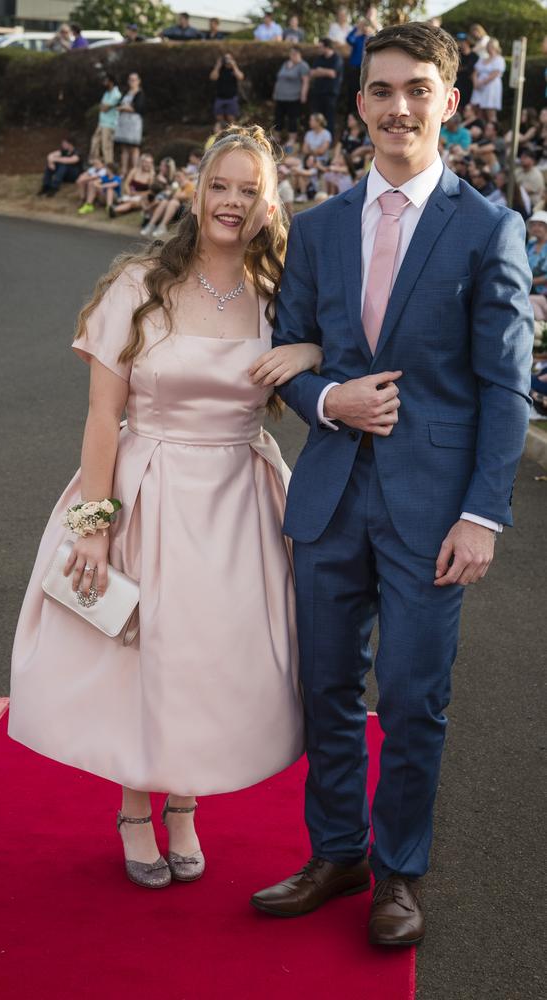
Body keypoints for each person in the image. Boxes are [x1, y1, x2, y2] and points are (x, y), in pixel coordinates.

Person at [250, 22, 533, 948]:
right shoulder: (321, 227)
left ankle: (399, 871)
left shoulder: (490, 227)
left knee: (414, 697)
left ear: (450, 104)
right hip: (330, 498)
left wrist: (484, 513)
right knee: (326, 687)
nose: (398, 106)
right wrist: (330, 397)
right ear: (359, 101)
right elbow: (288, 357)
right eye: (381, 90)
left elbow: (504, 388)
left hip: (433, 513)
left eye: (418, 89)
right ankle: (338, 853)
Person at [8, 125, 322, 889]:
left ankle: (184, 805)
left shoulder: (282, 294)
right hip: (147, 488)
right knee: (138, 650)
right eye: (222, 185)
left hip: (240, 496)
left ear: (268, 202)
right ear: (198, 189)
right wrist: (93, 525)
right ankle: (134, 810)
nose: (233, 201)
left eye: (250, 190)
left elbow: (332, 360)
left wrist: (310, 352)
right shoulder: (139, 284)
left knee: (207, 656)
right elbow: (99, 416)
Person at [273, 46, 310, 151]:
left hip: (293, 97)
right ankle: (276, 138)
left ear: (299, 54)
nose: (292, 56)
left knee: (292, 119)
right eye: (291, 54)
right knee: (278, 117)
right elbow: (279, 78)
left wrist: (303, 95)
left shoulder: (303, 66)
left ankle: (291, 140)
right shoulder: (285, 64)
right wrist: (275, 92)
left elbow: (305, 81)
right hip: (280, 97)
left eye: (294, 54)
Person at [140, 167, 194, 236]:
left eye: (179, 176)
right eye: (176, 176)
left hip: (184, 210)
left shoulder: (189, 185)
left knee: (173, 202)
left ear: (185, 176)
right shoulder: (177, 186)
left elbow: (183, 197)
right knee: (164, 202)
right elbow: (167, 195)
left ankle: (163, 226)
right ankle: (151, 225)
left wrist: (176, 190)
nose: (177, 178)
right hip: (172, 208)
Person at [308, 37, 344, 139]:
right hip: (317, 93)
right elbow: (311, 73)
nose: (318, 49)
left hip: (330, 93)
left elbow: (332, 73)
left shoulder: (337, 58)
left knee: (329, 118)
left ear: (327, 47)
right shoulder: (319, 58)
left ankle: (328, 141)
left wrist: (320, 70)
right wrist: (323, 72)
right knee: (316, 117)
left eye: (320, 47)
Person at [115, 72, 145, 174]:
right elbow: (119, 105)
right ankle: (124, 170)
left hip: (134, 123)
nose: (132, 82)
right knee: (124, 147)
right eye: (130, 80)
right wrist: (125, 107)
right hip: (124, 123)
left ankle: (135, 171)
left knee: (134, 147)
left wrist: (125, 107)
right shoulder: (126, 93)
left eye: (134, 80)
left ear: (138, 81)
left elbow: (138, 108)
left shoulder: (140, 93)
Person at [89, 75, 121, 169]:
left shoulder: (116, 94)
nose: (104, 83)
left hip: (110, 124)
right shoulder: (107, 93)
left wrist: (103, 106)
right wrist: (103, 106)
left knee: (106, 146)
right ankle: (95, 163)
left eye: (106, 81)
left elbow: (105, 108)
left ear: (111, 82)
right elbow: (101, 106)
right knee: (95, 142)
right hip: (102, 122)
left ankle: (109, 166)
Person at [109, 153, 155, 218]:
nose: (147, 164)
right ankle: (116, 207)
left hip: (141, 197)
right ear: (141, 162)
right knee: (126, 201)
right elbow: (126, 183)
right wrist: (128, 192)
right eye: (146, 162)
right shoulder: (134, 171)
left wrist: (137, 193)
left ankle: (115, 209)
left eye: (150, 163)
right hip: (130, 194)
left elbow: (150, 191)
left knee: (131, 203)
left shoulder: (151, 176)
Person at [345, 16, 377, 112]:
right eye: (363, 26)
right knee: (352, 92)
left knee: (365, 91)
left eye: (366, 26)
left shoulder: (372, 38)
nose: (364, 28)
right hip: (354, 67)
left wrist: (371, 32)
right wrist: (356, 30)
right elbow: (349, 39)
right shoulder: (358, 36)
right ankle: (351, 113)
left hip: (367, 68)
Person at [471, 37, 505, 122]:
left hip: (491, 87)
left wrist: (482, 82)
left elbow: (495, 74)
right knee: (478, 109)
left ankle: (493, 130)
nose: (489, 48)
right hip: (479, 86)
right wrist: (475, 83)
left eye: (491, 46)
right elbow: (475, 72)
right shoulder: (482, 59)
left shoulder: (499, 59)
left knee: (490, 111)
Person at [210, 52, 244, 132]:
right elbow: (212, 77)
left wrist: (234, 66)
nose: (227, 61)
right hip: (220, 98)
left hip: (231, 98)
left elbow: (241, 77)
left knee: (231, 119)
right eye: (225, 59)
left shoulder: (234, 69)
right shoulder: (219, 69)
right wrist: (218, 66)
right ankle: (219, 135)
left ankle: (232, 134)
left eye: (229, 58)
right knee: (219, 120)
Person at [455, 33, 477, 108]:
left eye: (464, 42)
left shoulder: (474, 56)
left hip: (469, 85)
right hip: (458, 83)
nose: (461, 44)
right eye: (460, 42)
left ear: (468, 42)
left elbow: (471, 69)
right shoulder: (457, 55)